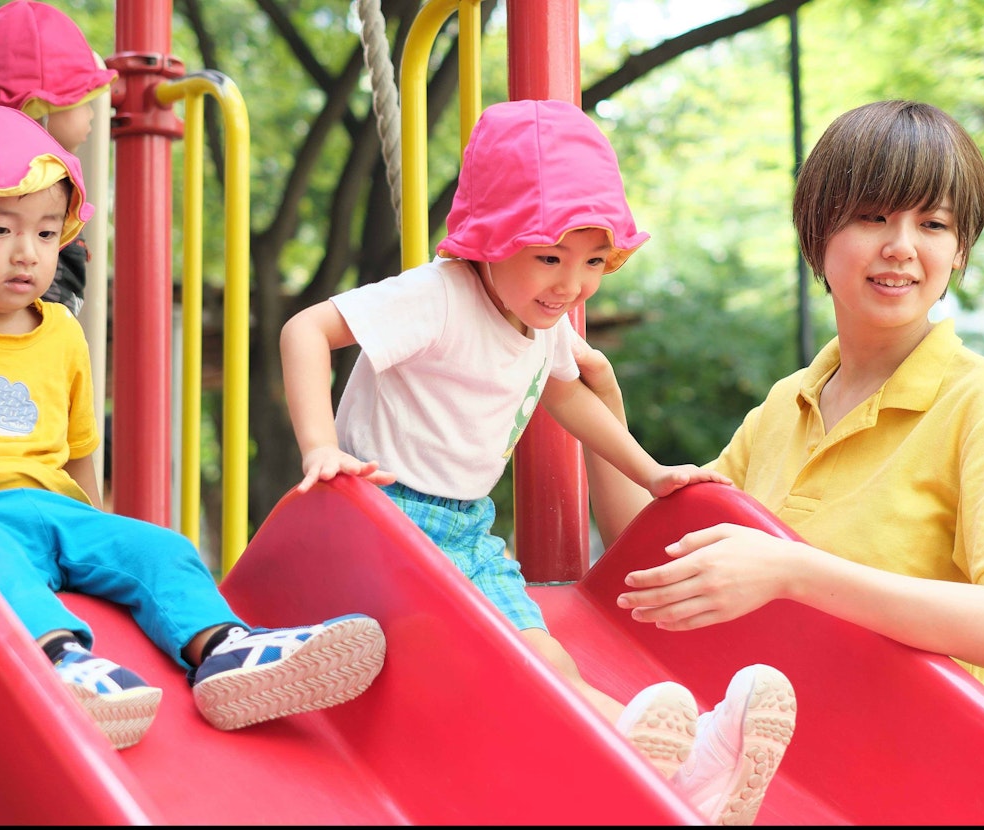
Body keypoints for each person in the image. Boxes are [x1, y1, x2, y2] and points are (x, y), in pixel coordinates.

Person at [279, 98, 796, 826]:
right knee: (512, 665)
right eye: (550, 257)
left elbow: (567, 396)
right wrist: (320, 447)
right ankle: (683, 760)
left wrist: (650, 471)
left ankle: (682, 771)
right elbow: (305, 329)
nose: (570, 285)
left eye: (592, 263)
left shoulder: (536, 317)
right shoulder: (436, 297)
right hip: (385, 520)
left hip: (466, 528)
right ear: (491, 240)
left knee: (549, 661)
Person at [0, 101, 387, 751]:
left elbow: (79, 456)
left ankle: (225, 650)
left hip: (59, 513)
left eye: (45, 233)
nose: (27, 254)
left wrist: (99, 539)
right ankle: (59, 662)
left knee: (161, 548)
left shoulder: (61, 333)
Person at [578, 99, 984, 708]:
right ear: (818, 231)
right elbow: (656, 557)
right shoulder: (787, 404)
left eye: (934, 224)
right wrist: (600, 407)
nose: (901, 246)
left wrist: (795, 572)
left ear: (960, 250)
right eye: (872, 216)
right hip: (770, 743)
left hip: (916, 754)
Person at [0, 0, 115, 317]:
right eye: (83, 102)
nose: (91, 114)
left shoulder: (43, 176)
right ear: (39, 107)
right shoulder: (16, 183)